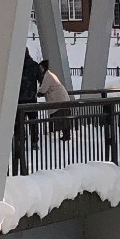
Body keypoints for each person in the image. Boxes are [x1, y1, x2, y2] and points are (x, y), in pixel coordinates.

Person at [12, 47, 44, 175]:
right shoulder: (35, 66)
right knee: (33, 121)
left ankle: (20, 140)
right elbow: (41, 79)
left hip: (19, 100)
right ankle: (35, 141)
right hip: (31, 98)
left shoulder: (16, 66)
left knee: (18, 123)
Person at [42, 67, 74, 140]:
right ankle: (67, 134)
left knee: (62, 118)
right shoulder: (51, 75)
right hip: (63, 100)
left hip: (59, 101)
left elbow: (43, 89)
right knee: (64, 118)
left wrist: (38, 90)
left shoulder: (48, 76)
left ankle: (66, 135)